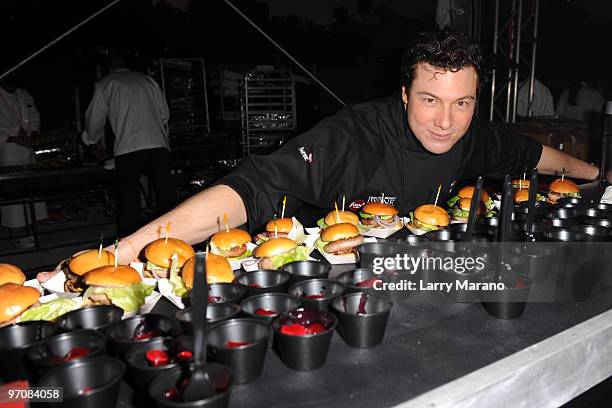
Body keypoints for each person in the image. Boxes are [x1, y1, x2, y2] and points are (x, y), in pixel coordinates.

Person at [94, 30, 599, 264]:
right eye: (429, 100)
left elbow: (530, 154)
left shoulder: (471, 133)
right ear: (404, 96)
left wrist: (596, 174)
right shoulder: (356, 134)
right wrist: (125, 251)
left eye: (462, 103)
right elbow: (254, 187)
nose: (446, 122)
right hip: (328, 276)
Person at [83, 55, 175, 237]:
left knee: (129, 198)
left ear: (109, 67)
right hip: (157, 143)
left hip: (128, 146)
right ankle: (175, 233)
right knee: (165, 194)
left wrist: (92, 139)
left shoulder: (106, 84)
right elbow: (164, 113)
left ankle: (130, 239)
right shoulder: (147, 80)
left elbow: (94, 119)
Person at [0, 74, 48, 248]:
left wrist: (34, 131)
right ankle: (17, 232)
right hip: (6, 150)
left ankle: (33, 228)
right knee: (12, 193)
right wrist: (12, 138)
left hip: (27, 147)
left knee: (30, 189)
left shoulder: (23, 94)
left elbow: (34, 115)